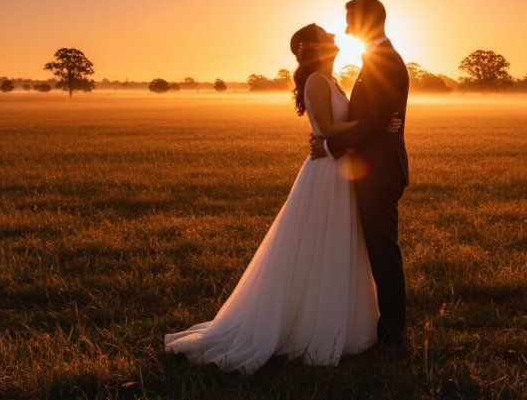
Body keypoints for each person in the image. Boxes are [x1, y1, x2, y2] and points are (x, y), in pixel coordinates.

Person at [164, 22, 401, 374]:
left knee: (337, 244)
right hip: (325, 174)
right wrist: (376, 124)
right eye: (326, 35)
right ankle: (309, 326)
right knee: (319, 244)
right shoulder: (318, 82)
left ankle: (337, 320)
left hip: (339, 169)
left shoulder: (330, 79)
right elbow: (327, 129)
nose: (335, 36)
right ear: (313, 47)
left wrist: (366, 125)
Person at [310, 0, 410, 346]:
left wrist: (328, 146)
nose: (347, 27)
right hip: (372, 171)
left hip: (380, 175)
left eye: (351, 19)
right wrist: (381, 122)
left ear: (368, 21)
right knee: (376, 250)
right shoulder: (375, 59)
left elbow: (372, 123)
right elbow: (375, 121)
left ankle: (393, 333)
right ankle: (382, 324)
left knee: (383, 252)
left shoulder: (386, 61)